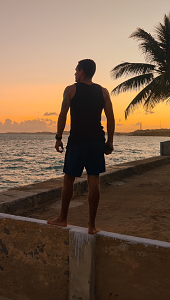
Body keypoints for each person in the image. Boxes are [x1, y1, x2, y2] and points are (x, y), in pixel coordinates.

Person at [47, 59, 115, 234]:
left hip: (77, 140)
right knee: (94, 180)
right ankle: (91, 225)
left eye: (76, 70)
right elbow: (111, 118)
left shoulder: (71, 90)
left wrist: (58, 137)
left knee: (69, 179)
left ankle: (63, 218)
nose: (75, 73)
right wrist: (109, 142)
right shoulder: (103, 92)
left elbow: (62, 114)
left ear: (82, 72)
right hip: (96, 141)